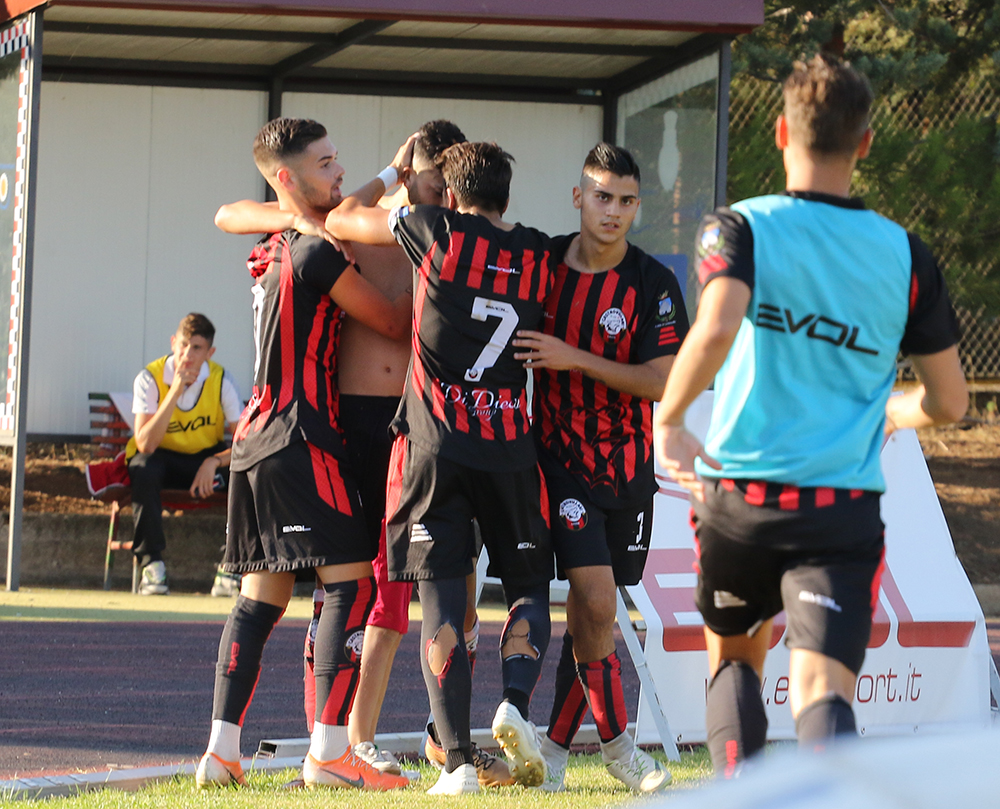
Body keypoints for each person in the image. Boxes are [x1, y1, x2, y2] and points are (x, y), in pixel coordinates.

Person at [652, 54, 968, 778]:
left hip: (738, 501)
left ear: (780, 130)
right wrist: (894, 408)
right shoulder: (906, 253)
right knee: (825, 690)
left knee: (733, 662)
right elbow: (951, 402)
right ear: (864, 142)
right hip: (841, 509)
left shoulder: (739, 227)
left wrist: (669, 416)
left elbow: (719, 323)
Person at [215, 121, 510, 787]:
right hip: (347, 422)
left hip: (424, 423)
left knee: (453, 582)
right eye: (434, 179)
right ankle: (354, 737)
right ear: (414, 173)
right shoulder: (361, 222)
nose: (445, 193)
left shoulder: (458, 237)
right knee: (370, 588)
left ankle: (445, 736)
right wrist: (387, 186)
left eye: (453, 184)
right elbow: (234, 212)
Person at [325, 140, 554, 794]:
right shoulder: (538, 248)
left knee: (440, 603)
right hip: (509, 447)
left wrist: (395, 177)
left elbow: (342, 217)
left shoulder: (433, 228)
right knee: (528, 589)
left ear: (449, 194)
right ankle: (513, 702)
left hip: (434, 449)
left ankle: (455, 761)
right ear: (508, 195)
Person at [195, 117, 413, 791]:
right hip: (303, 434)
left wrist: (386, 180)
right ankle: (327, 752)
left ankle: (220, 752)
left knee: (261, 597)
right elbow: (395, 324)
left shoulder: (269, 246)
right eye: (326, 164)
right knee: (351, 582)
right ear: (288, 177)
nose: (340, 172)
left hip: (254, 440)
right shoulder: (316, 252)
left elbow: (235, 212)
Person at [512, 143, 687, 792]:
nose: (613, 210)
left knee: (595, 618)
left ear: (637, 206)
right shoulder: (540, 266)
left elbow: (663, 381)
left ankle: (555, 755)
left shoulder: (653, 283)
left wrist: (573, 356)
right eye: (602, 195)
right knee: (594, 599)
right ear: (578, 197)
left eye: (626, 200)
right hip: (560, 466)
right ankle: (619, 747)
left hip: (630, 472)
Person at [126, 313, 242, 596]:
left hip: (203, 462)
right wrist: (175, 390)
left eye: (197, 348)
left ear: (209, 352)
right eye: (183, 345)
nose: (187, 355)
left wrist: (214, 461)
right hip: (162, 458)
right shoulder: (149, 377)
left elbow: (245, 441)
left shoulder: (221, 380)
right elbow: (146, 444)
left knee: (247, 470)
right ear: (173, 342)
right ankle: (152, 566)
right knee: (143, 467)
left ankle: (232, 566)